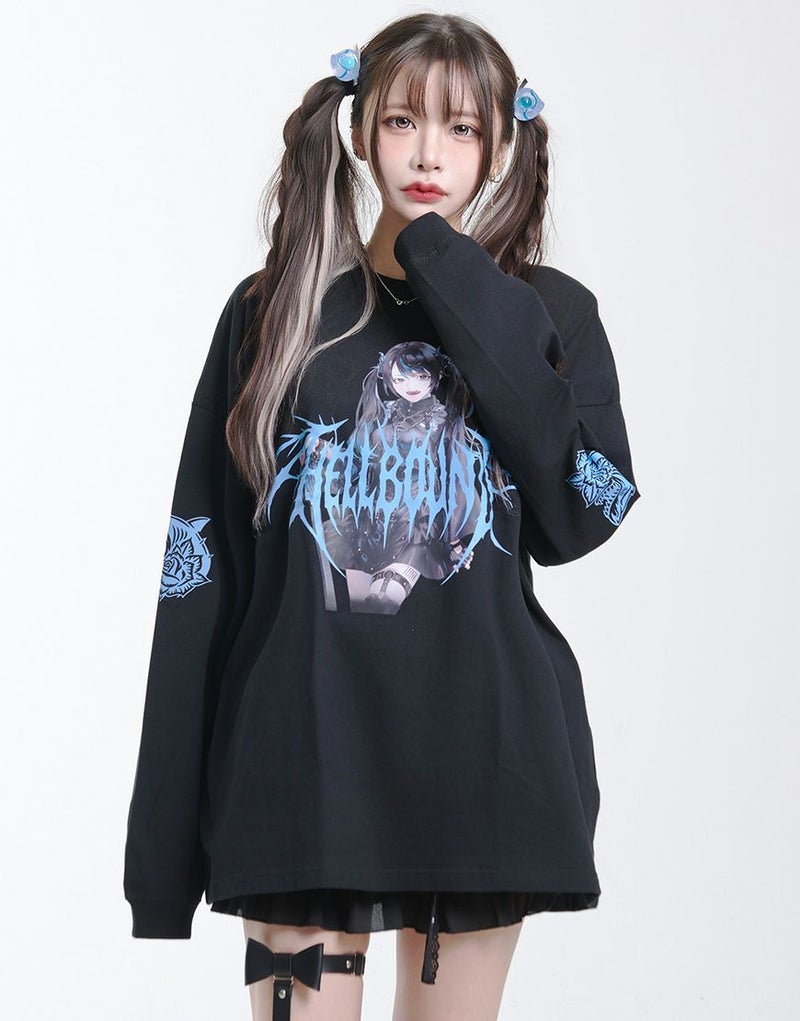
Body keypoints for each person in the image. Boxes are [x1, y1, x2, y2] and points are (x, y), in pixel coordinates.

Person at [123, 11, 642, 1021]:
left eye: (461, 127)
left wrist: (444, 262)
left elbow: (585, 511)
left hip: (484, 763)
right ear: (361, 131)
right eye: (404, 121)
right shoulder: (274, 309)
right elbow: (201, 564)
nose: (428, 154)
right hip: (296, 766)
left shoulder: (547, 312)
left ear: (500, 145)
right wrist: (161, 856)